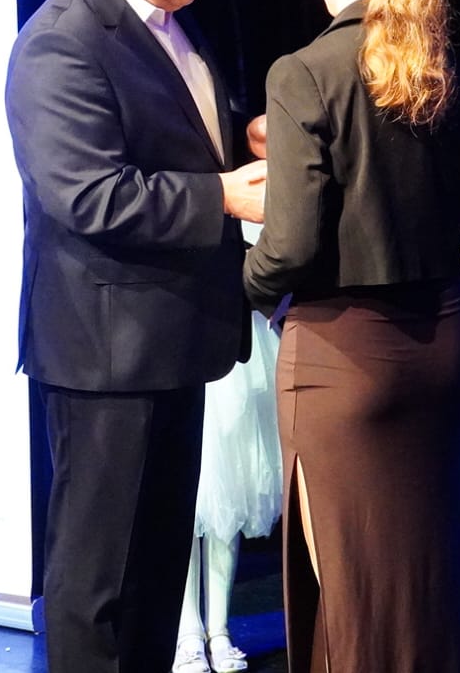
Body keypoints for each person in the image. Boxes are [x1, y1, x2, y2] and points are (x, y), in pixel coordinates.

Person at [5, 0, 268, 673]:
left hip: (172, 338)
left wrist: (242, 137)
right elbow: (90, 195)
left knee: (156, 571)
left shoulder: (167, 18)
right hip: (105, 352)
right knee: (100, 579)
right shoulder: (61, 43)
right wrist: (221, 195)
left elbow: (176, 136)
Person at [243, 0, 460, 673]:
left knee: (352, 597)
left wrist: (241, 285)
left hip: (342, 359)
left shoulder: (304, 71)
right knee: (426, 592)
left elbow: (291, 245)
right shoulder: (443, 65)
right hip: (441, 347)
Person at [172, 288, 283, 673]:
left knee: (229, 490)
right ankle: (186, 631)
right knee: (183, 496)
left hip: (234, 336)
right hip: (177, 335)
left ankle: (218, 629)